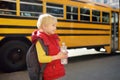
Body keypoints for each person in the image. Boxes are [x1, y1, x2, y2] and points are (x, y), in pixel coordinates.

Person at [31, 14, 68, 80]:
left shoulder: (52, 37)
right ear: (44, 26)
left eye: (55, 25)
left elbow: (54, 51)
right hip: (48, 74)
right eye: (53, 25)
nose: (55, 28)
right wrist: (58, 57)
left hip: (54, 71)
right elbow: (41, 59)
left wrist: (62, 54)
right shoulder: (40, 40)